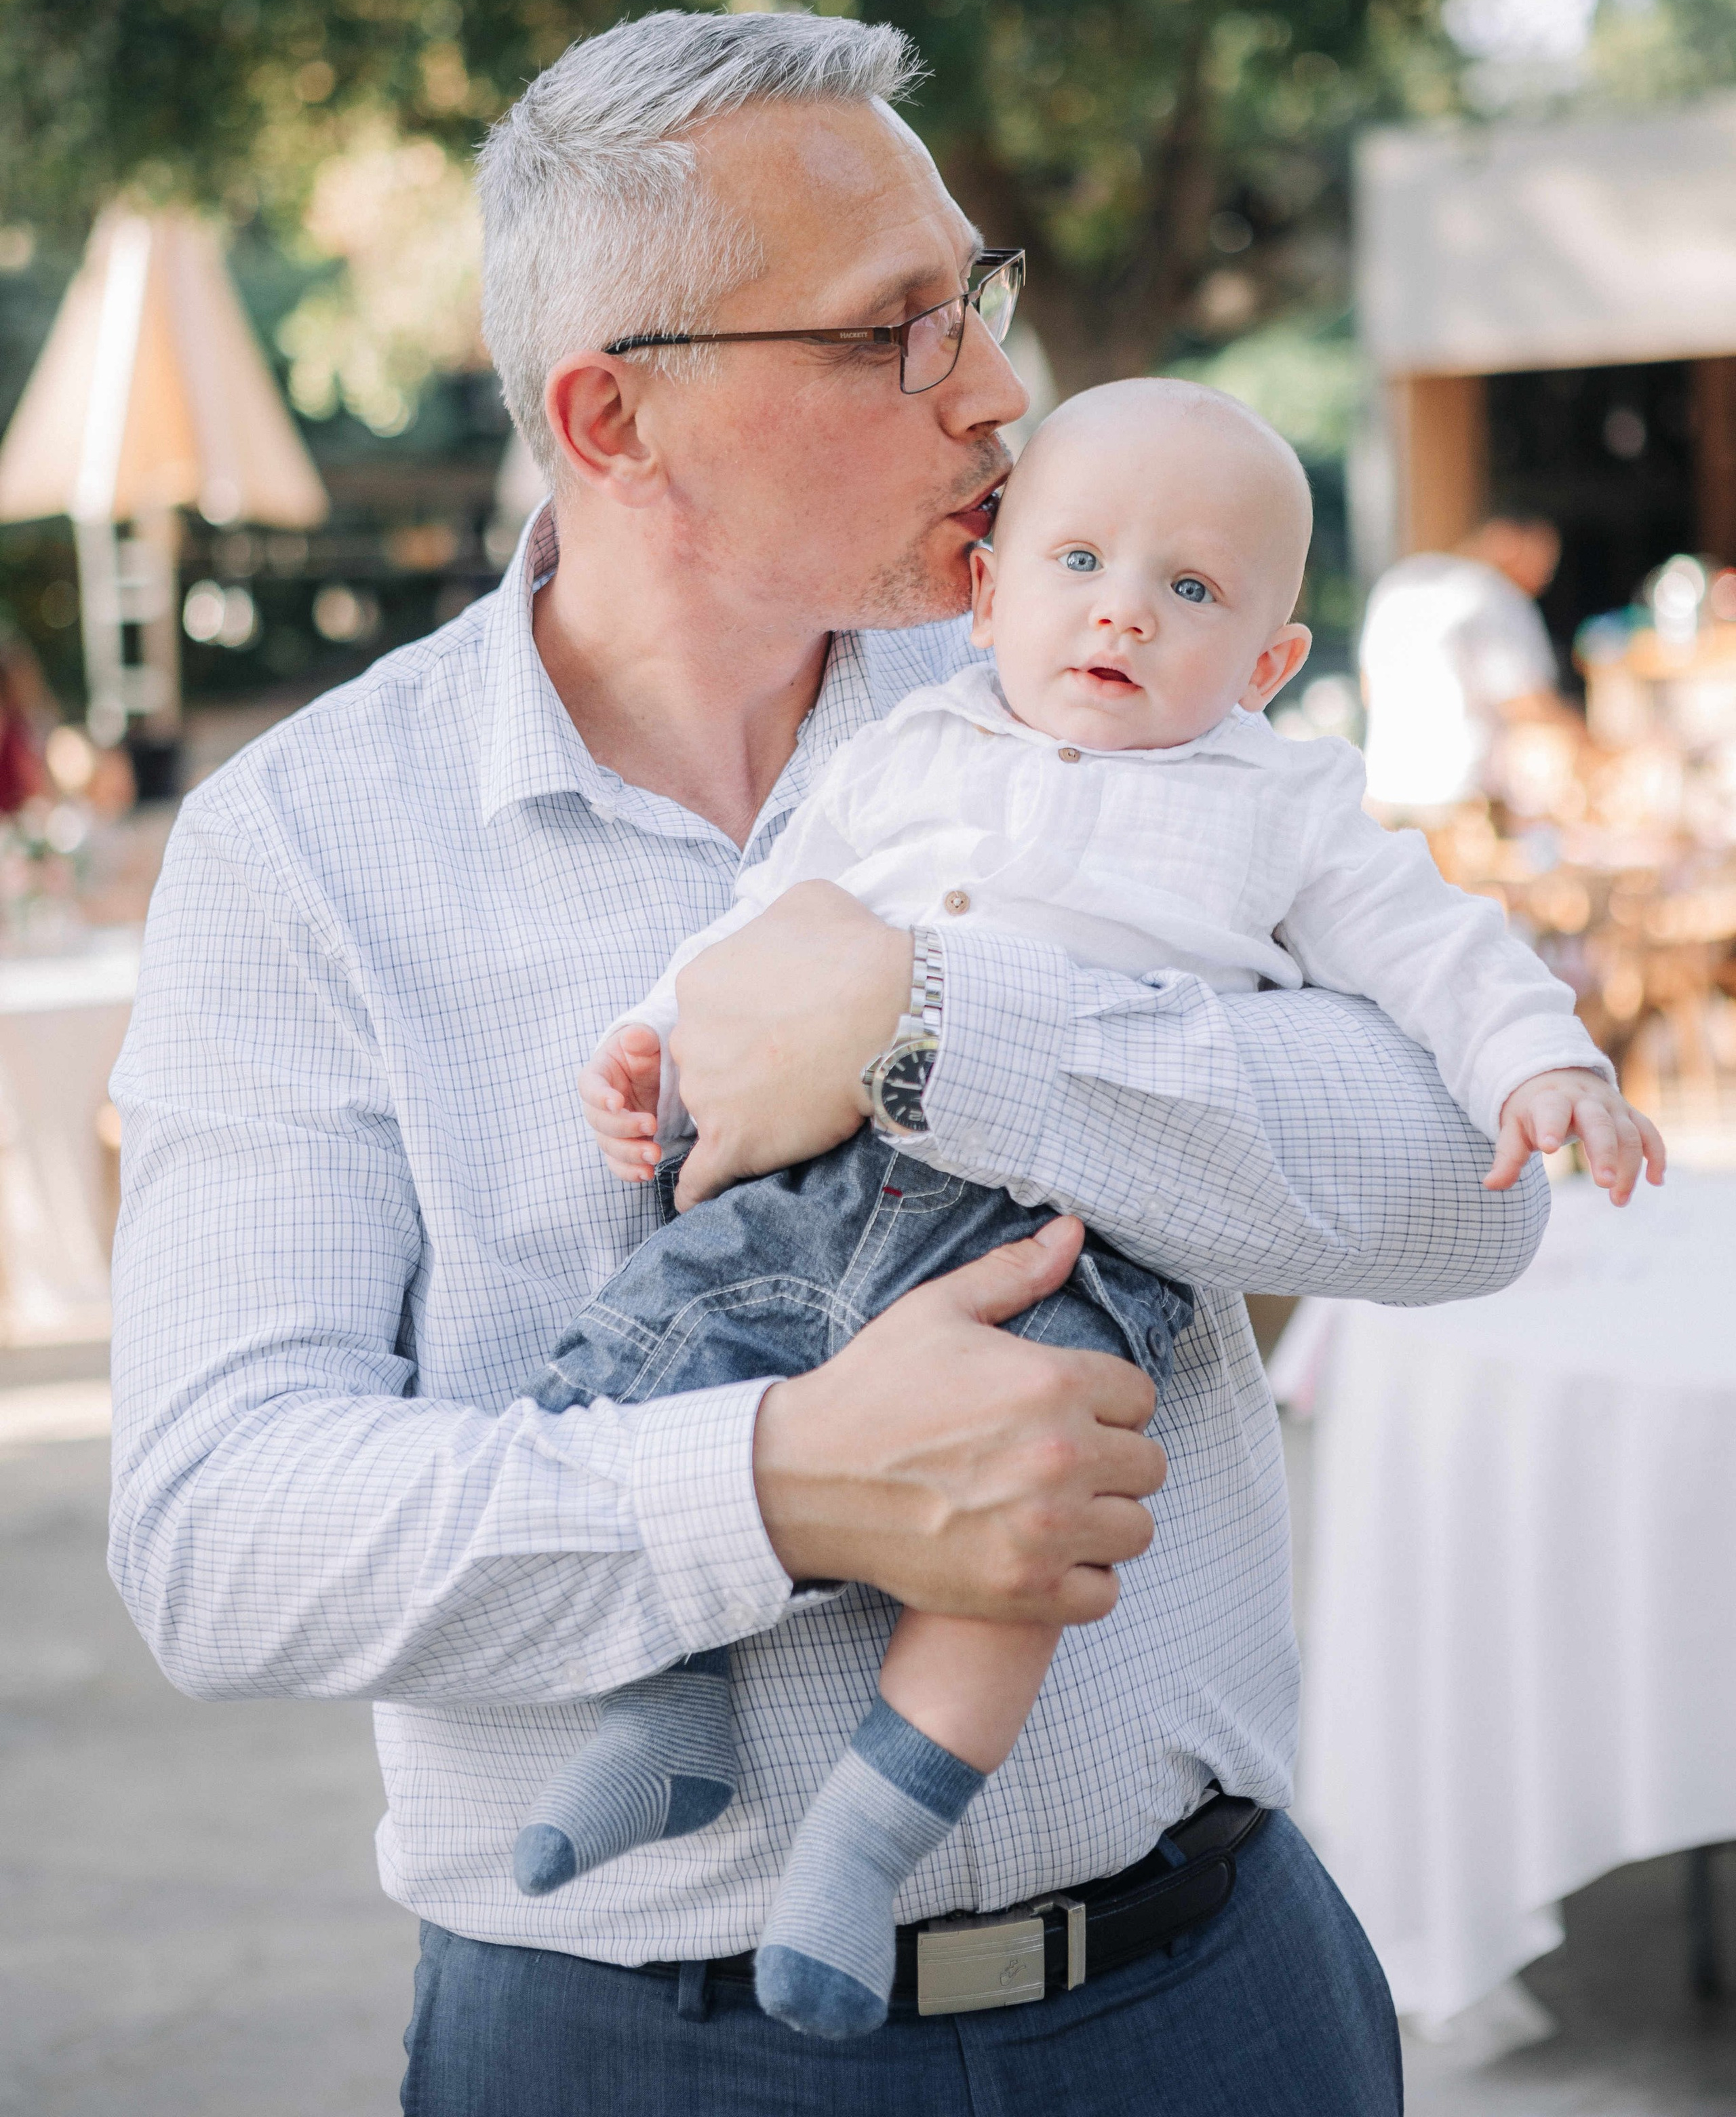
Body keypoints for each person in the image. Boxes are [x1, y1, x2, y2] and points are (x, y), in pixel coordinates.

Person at [110, 13, 1550, 2117]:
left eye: (976, 296)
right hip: (623, 2048)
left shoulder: (1101, 673)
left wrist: (927, 1028)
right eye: (894, 330)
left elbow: (1472, 1191)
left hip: (1211, 1988)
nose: (994, 388)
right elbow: (222, 1536)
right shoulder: (306, 847)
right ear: (616, 416)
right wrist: (775, 1482)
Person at [519, 378, 1659, 2039]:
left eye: (1189, 588)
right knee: (634, 1370)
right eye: (1076, 562)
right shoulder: (907, 746)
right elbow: (770, 920)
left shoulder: (1276, 800)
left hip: (1062, 1238)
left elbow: (1440, 950)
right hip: (816, 1189)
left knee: (1015, 1545)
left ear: (1265, 662)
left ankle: (863, 1836)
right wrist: (655, 1037)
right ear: (986, 595)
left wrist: (1538, 1066)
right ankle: (664, 1718)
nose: (1122, 609)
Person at [1360, 512, 1573, 818]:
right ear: (1508, 541)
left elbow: (1368, 689)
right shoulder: (1494, 593)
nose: (1544, 580)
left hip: (1385, 793)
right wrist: (1594, 743)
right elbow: (1529, 705)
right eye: (1543, 563)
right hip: (1458, 799)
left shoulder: (1399, 581)